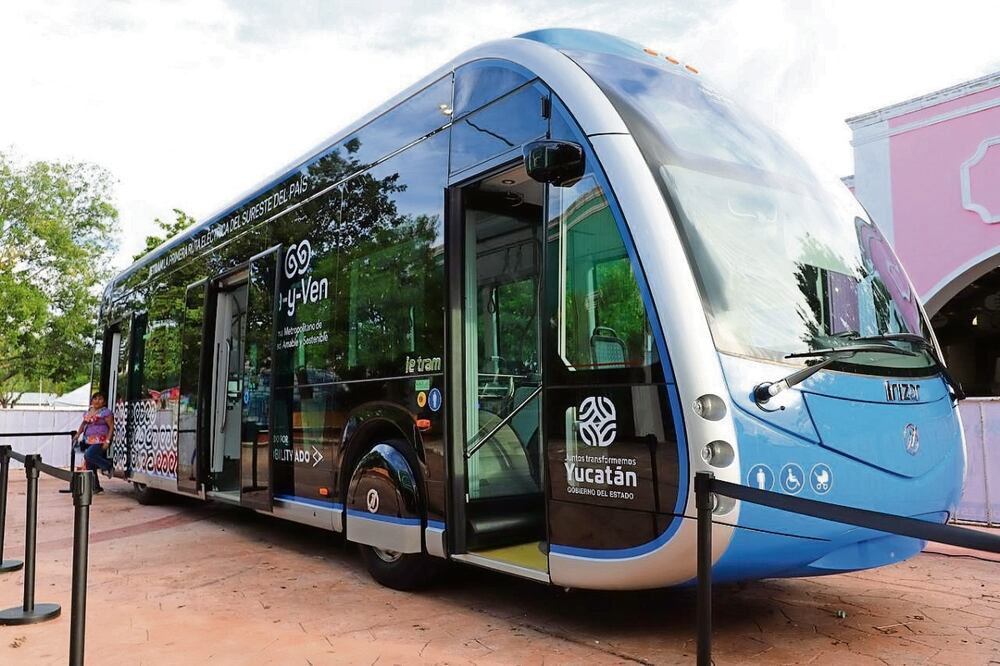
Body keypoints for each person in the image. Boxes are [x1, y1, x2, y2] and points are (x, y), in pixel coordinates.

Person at [76, 392, 114, 494]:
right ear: (92, 400)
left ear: (104, 401)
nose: (97, 401)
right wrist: (78, 434)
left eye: (100, 399)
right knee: (89, 464)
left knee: (89, 455)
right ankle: (95, 487)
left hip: (100, 440)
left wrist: (108, 441)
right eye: (95, 398)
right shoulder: (89, 411)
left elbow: (111, 427)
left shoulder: (106, 412)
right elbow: (83, 423)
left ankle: (108, 466)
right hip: (88, 440)